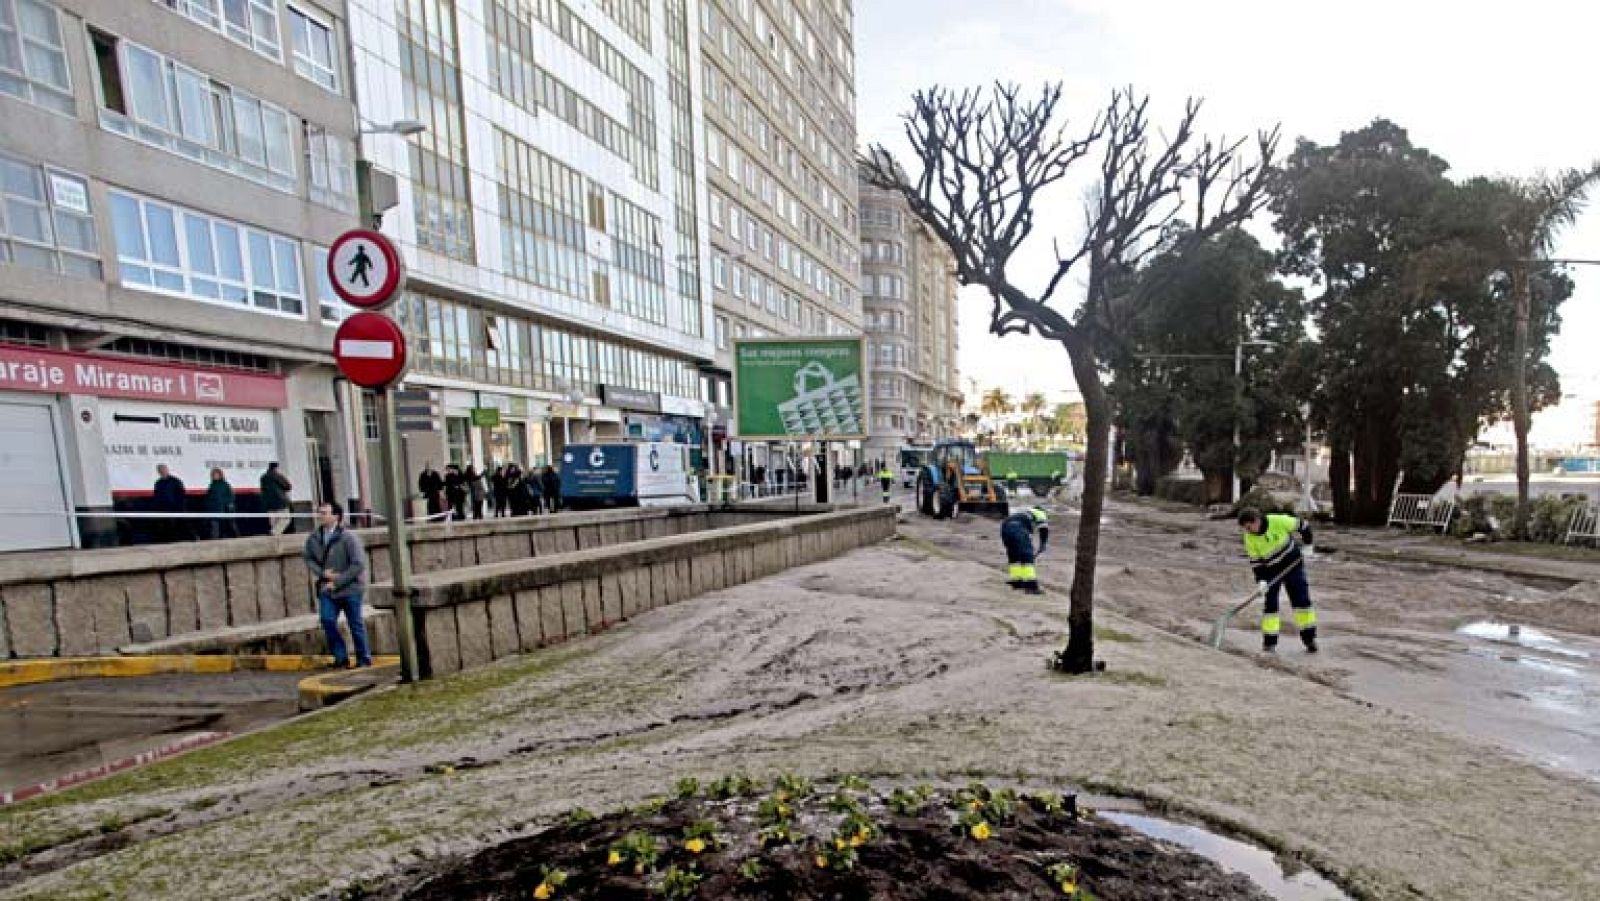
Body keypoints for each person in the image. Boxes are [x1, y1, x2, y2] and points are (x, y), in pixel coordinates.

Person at [1238, 508, 1319, 654]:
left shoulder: (1278, 521)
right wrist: (1261, 581)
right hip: (1271, 572)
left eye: (1249, 527)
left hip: (1293, 566)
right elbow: (1256, 563)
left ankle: (1310, 640)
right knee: (1270, 607)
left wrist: (1308, 545)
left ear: (1256, 521)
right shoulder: (1249, 538)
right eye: (1245, 529)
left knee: (1302, 602)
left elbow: (1304, 526)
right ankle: (1269, 644)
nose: (1248, 531)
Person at [303, 502, 370, 668]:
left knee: (355, 624)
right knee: (327, 620)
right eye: (320, 513)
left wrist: (338, 582)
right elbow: (308, 558)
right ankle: (341, 656)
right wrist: (322, 573)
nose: (321, 516)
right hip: (327, 588)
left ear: (336, 516)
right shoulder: (315, 538)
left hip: (350, 588)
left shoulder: (348, 537)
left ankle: (363, 658)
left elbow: (358, 564)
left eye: (325, 513)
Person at [1000, 505, 1050, 594]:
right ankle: (1031, 586)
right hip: (1018, 528)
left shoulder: (1024, 512)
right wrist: (1043, 544)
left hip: (1005, 527)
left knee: (1014, 554)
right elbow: (1044, 529)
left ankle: (1016, 581)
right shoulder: (1040, 513)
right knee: (1027, 555)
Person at [153, 464, 189, 542]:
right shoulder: (158, 483)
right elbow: (157, 497)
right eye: (160, 470)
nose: (162, 471)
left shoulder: (175, 481)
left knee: (177, 527)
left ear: (167, 470)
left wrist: (180, 508)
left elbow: (181, 495)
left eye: (164, 469)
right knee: (166, 528)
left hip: (176, 509)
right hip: (163, 510)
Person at [260, 462, 293, 535]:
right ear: (276, 468)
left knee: (274, 522)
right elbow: (288, 486)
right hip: (280, 502)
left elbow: (263, 490)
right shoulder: (277, 476)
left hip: (268, 503)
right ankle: (273, 533)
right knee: (285, 519)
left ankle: (274, 539)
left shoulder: (263, 477)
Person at [203, 468, 237, 540]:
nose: (215, 476)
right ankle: (215, 539)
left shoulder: (225, 485)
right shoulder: (211, 485)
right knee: (215, 526)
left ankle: (234, 537)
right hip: (214, 510)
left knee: (229, 525)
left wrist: (228, 504)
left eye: (217, 474)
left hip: (225, 509)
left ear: (220, 475)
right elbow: (209, 498)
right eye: (214, 475)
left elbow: (231, 496)